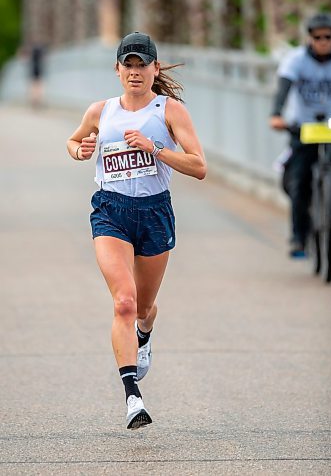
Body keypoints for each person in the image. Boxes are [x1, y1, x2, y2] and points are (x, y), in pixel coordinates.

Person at [67, 32, 206, 429]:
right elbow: (73, 140)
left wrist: (155, 149)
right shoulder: (101, 110)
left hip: (154, 212)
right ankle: (133, 398)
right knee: (123, 302)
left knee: (142, 308)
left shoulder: (170, 111)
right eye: (127, 64)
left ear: (155, 68)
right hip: (111, 210)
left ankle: (145, 331)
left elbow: (199, 166)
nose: (135, 72)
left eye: (142, 64)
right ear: (117, 69)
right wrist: (79, 150)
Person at [270, 12, 331, 258]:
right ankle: (298, 236)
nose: (324, 41)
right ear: (309, 38)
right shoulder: (295, 60)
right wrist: (276, 114)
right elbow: (283, 89)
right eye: (318, 37)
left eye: (328, 37)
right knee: (299, 181)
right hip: (303, 127)